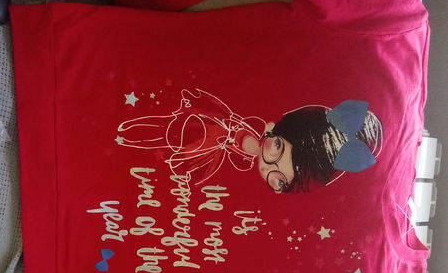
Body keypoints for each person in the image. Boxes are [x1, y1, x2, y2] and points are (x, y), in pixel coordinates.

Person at [116, 88, 382, 191]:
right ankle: (123, 135)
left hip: (202, 147)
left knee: (168, 145)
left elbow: (240, 155)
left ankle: (126, 140)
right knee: (164, 130)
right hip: (206, 125)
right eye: (277, 146)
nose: (267, 168)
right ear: (273, 128)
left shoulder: (250, 156)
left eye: (279, 181)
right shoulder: (253, 129)